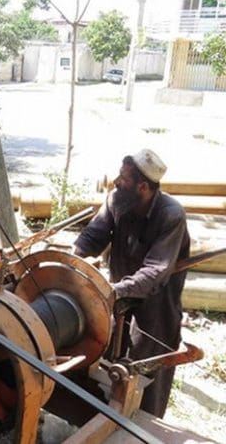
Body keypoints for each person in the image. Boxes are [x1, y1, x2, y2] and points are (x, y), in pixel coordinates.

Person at [72, 148, 190, 418]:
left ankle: (144, 426)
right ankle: (101, 414)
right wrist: (71, 258)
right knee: (105, 351)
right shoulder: (117, 200)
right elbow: (94, 235)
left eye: (123, 178)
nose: (116, 181)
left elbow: (154, 272)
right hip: (118, 292)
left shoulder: (171, 216)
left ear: (143, 187)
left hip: (157, 301)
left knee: (148, 364)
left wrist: (113, 291)